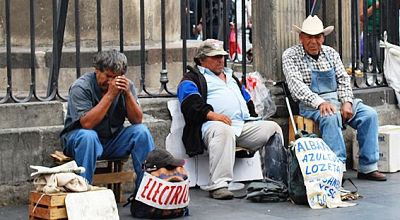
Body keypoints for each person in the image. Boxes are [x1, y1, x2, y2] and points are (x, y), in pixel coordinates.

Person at [282, 15, 386, 181]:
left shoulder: (331, 53)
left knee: (369, 115)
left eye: (317, 37)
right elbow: (296, 87)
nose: (313, 41)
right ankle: (337, 168)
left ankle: (368, 167)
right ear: (301, 37)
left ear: (323, 37)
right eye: (309, 37)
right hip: (312, 104)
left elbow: (344, 79)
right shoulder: (291, 55)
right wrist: (320, 102)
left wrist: (346, 102)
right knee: (330, 116)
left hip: (337, 99)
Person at [177, 39, 283, 200]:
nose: (221, 60)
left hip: (241, 125)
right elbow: (190, 104)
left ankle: (276, 179)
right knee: (223, 130)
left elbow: (247, 99)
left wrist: (253, 117)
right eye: (215, 57)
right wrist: (215, 116)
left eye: (222, 56)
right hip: (211, 126)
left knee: (273, 128)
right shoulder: (191, 79)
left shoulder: (231, 76)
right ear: (201, 60)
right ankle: (219, 185)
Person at [60, 49, 155, 191]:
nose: (111, 82)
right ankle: (83, 194)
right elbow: (87, 124)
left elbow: (137, 120)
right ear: (97, 70)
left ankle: (146, 193)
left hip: (113, 141)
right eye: (108, 76)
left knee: (142, 132)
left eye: (116, 77)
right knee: (89, 136)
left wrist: (128, 94)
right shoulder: (81, 87)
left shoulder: (126, 85)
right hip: (80, 141)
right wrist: (110, 96)